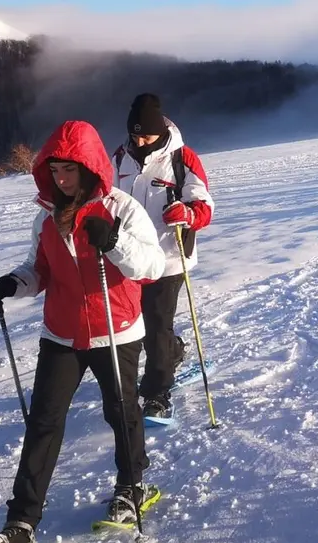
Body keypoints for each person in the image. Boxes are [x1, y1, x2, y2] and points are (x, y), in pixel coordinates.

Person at [0, 120, 168, 543]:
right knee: (43, 423)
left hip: (115, 329)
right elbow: (37, 270)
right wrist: (11, 284)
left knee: (121, 412)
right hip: (61, 333)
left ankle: (132, 486)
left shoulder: (121, 209)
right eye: (55, 171)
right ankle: (20, 525)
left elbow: (152, 266)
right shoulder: (45, 216)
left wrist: (115, 242)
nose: (61, 180)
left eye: (70, 171)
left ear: (89, 167)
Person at [110, 93, 215, 422]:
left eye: (146, 135)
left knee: (155, 326)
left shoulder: (182, 159)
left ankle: (156, 394)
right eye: (135, 134)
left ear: (161, 131)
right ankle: (174, 349)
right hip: (128, 256)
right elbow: (108, 198)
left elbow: (204, 206)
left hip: (168, 256)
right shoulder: (120, 158)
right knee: (132, 326)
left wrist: (186, 212)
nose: (139, 141)